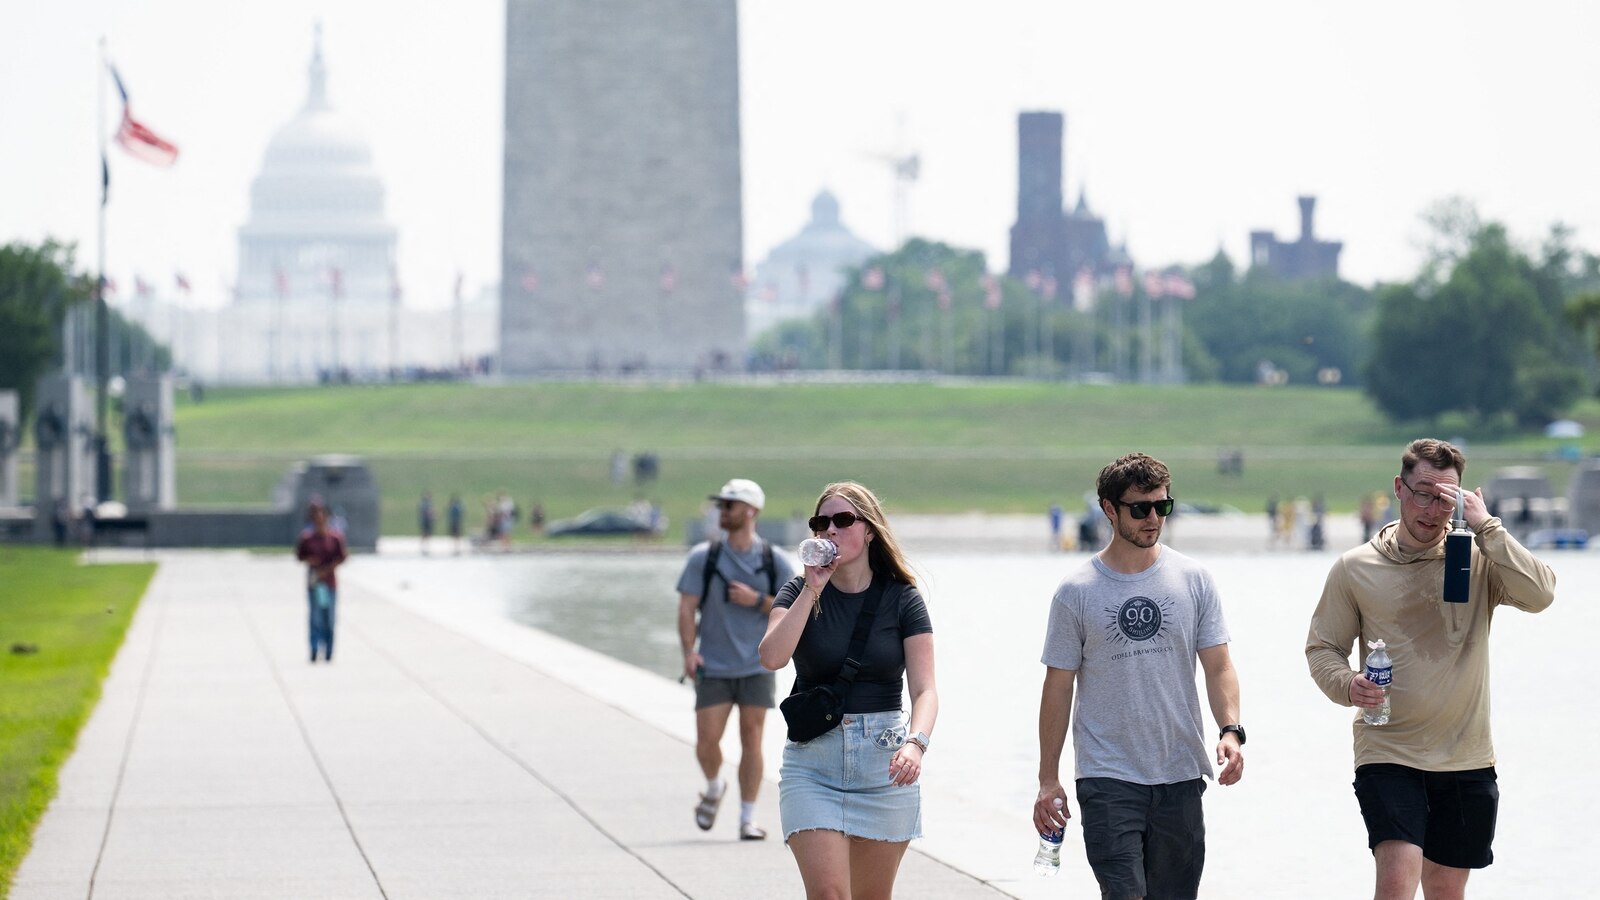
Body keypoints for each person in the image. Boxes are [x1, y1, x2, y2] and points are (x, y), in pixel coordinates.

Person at [1305, 439, 1555, 900]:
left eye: (1447, 498)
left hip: (1466, 754)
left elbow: (1541, 595)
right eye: (1423, 493)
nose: (1433, 509)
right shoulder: (1355, 567)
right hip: (1388, 749)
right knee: (1397, 883)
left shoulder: (1478, 558)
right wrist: (1349, 685)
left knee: (1445, 892)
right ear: (1399, 489)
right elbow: (1322, 649)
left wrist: (1487, 527)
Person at [1035, 452, 1244, 900]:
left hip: (1180, 772)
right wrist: (1047, 778)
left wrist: (1231, 729)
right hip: (1107, 774)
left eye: (1162, 506)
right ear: (1109, 510)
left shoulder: (1195, 579)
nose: (1154, 518)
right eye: (1140, 508)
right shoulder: (1076, 592)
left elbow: (1219, 665)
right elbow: (1057, 687)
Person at [759, 481, 936, 899]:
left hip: (884, 763)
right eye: (821, 523)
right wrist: (812, 589)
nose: (830, 531)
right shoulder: (797, 590)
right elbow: (771, 657)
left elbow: (926, 689)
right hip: (813, 766)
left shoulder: (902, 599)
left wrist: (917, 743)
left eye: (843, 520)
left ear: (870, 529)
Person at [675, 479, 797, 841]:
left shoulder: (773, 560)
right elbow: (686, 607)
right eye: (722, 505)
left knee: (752, 738)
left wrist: (757, 600)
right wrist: (688, 652)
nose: (722, 511)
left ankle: (747, 818)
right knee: (706, 741)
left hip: (757, 663)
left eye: (730, 505)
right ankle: (714, 786)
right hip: (713, 663)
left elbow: (792, 608)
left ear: (751, 511)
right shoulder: (704, 557)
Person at [295, 500, 348, 663]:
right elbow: (299, 556)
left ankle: (329, 650)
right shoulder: (307, 538)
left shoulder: (335, 538)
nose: (318, 517)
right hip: (315, 583)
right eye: (315, 514)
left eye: (321, 513)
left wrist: (329, 567)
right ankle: (314, 648)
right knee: (315, 618)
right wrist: (311, 561)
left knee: (329, 619)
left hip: (329, 583)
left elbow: (343, 557)